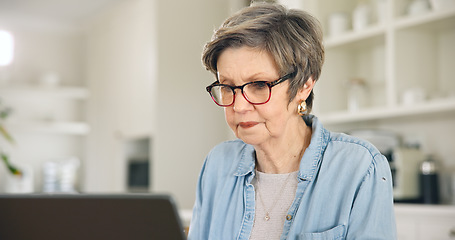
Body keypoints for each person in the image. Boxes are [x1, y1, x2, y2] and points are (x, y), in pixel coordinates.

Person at [188, 2, 396, 240]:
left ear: (304, 86)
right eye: (227, 87)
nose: (238, 105)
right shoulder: (217, 165)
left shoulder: (360, 169)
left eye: (259, 85)